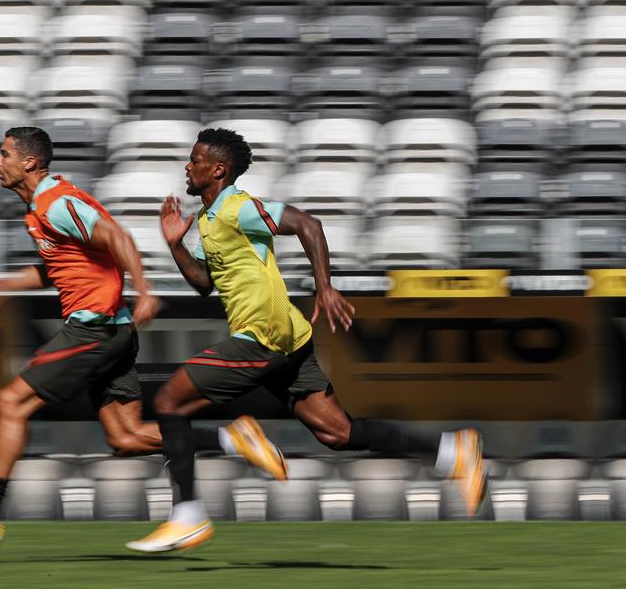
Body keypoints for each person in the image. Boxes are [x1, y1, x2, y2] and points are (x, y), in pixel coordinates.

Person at [0, 126, 284, 551]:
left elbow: (117, 237)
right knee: (126, 437)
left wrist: (145, 291)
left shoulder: (56, 203)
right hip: (113, 329)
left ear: (29, 162)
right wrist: (4, 284)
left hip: (94, 328)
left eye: (4, 155)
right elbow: (57, 266)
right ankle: (232, 439)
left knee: (10, 403)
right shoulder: (41, 209)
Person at [126, 127, 485, 553]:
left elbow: (306, 224)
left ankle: (188, 515)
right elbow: (204, 283)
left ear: (218, 169)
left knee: (169, 402)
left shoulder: (238, 208)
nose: (188, 167)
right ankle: (452, 451)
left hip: (264, 334)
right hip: (288, 338)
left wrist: (325, 288)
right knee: (338, 433)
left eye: (196, 160)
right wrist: (176, 246)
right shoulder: (208, 219)